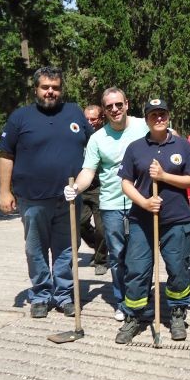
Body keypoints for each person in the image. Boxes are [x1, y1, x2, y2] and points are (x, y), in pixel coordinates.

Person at [0, 66, 92, 319]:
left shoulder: (74, 112)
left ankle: (64, 295)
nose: (51, 92)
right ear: (36, 89)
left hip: (69, 198)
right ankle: (40, 294)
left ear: (61, 89)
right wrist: (4, 192)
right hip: (33, 198)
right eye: (45, 87)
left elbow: (95, 144)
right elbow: (5, 155)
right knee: (35, 249)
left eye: (55, 87)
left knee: (67, 249)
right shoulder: (20, 117)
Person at [115, 98, 190, 343]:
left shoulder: (182, 145)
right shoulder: (135, 148)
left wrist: (163, 176)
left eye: (162, 113)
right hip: (142, 219)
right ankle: (133, 316)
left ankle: (177, 314)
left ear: (168, 116)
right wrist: (144, 203)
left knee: (178, 269)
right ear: (147, 119)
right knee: (137, 270)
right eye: (153, 115)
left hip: (176, 219)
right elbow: (125, 183)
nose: (159, 118)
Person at [63, 89, 149, 322]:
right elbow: (88, 171)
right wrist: (76, 188)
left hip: (141, 202)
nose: (115, 109)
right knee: (118, 256)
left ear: (126, 104)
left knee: (140, 256)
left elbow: (167, 138)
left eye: (118, 104)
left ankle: (141, 298)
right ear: (104, 110)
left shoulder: (144, 126)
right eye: (109, 106)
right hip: (111, 204)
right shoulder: (97, 138)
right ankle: (122, 301)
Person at [79, 104, 109, 276]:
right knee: (80, 223)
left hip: (100, 187)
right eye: (87, 119)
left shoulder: (105, 136)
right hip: (82, 186)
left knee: (101, 228)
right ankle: (97, 245)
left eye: (93, 119)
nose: (89, 122)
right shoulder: (78, 136)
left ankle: (100, 260)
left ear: (101, 119)